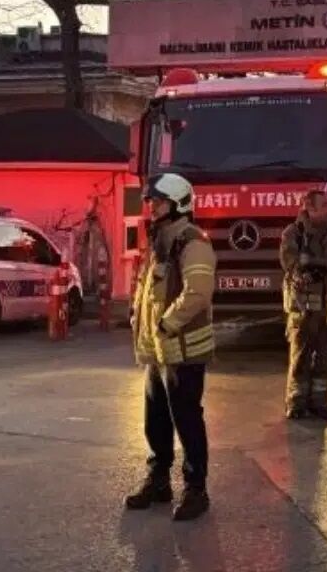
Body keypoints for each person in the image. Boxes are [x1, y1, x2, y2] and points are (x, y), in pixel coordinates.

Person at [124, 173, 217, 522]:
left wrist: (166, 324)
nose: (152, 208)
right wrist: (140, 321)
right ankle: (159, 480)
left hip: (183, 350)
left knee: (187, 419)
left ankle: (196, 489)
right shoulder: (160, 241)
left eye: (159, 202)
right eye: (151, 202)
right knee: (156, 419)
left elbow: (197, 293)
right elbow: (148, 290)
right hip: (158, 350)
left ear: (178, 204)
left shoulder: (193, 242)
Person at [279, 190, 327, 421]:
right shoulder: (293, 233)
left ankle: (321, 402)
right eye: (324, 205)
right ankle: (296, 402)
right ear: (310, 208)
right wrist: (311, 269)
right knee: (301, 356)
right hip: (303, 307)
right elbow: (291, 263)